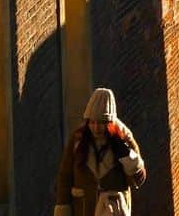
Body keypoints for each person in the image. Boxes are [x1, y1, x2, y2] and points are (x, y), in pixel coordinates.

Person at [54, 87, 146, 216]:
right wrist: (63, 209)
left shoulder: (124, 139)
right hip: (84, 209)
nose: (96, 128)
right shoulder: (78, 140)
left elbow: (137, 180)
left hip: (113, 211)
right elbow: (65, 177)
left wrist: (127, 157)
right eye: (92, 122)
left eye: (101, 123)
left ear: (110, 123)